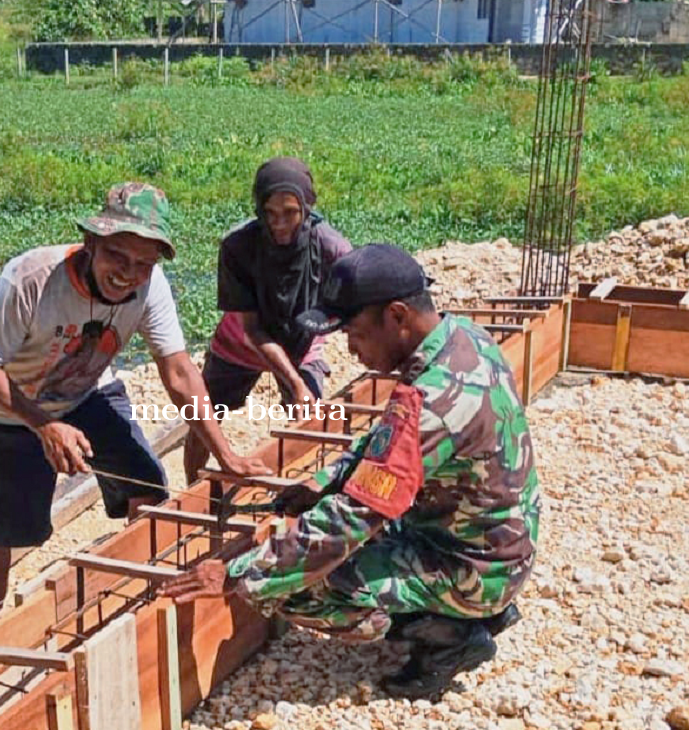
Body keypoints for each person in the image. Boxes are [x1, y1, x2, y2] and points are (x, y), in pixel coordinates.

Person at [164, 243, 540, 699]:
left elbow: (350, 520)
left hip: (474, 564)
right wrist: (326, 483)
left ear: (397, 316)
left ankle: (452, 636)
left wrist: (237, 573)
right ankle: (466, 610)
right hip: (500, 544)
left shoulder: (429, 402)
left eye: (357, 333)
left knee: (300, 585)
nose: (352, 350)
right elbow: (389, 442)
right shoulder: (463, 339)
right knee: (322, 538)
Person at [0, 182, 270, 618]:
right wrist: (44, 426)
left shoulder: (151, 287)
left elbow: (180, 372)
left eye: (143, 264)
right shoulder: (31, 279)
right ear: (91, 243)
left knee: (145, 482)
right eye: (117, 257)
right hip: (8, 410)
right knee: (7, 532)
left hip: (85, 390)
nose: (128, 273)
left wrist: (227, 455)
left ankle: (136, 594)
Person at [182, 157, 353, 483]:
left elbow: (359, 300)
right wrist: (297, 383)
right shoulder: (238, 247)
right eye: (269, 213)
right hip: (242, 342)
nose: (280, 223)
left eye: (290, 212)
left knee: (309, 421)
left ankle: (303, 493)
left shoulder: (330, 247)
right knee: (202, 420)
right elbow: (253, 329)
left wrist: (303, 384)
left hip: (301, 343)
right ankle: (193, 492)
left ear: (308, 205)